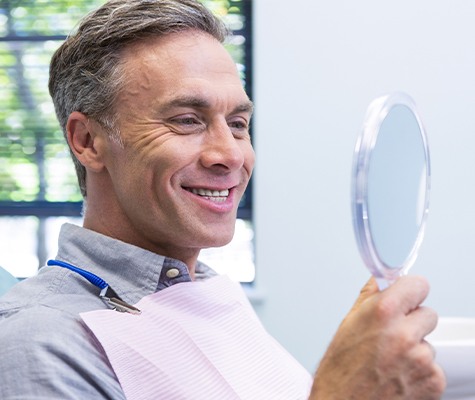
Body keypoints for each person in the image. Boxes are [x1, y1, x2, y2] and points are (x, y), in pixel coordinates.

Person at [0, 0, 445, 398]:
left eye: (237, 123)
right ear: (87, 141)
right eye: (188, 120)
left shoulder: (209, 295)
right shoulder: (38, 340)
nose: (230, 155)